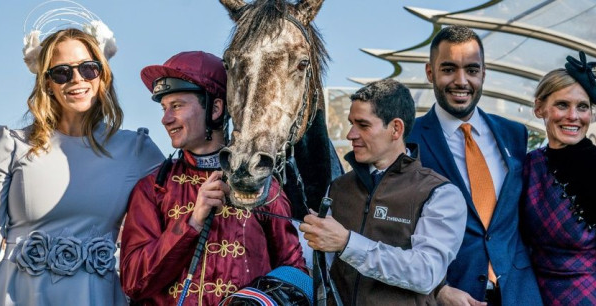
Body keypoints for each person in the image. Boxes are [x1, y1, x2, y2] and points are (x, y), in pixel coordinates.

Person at [0, 7, 164, 306]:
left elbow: (181, 206)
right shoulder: (11, 144)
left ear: (102, 74)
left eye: (88, 68)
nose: (76, 79)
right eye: (62, 72)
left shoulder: (137, 150)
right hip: (17, 297)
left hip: (98, 297)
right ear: (47, 83)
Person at [120, 51, 306, 306]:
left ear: (216, 108)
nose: (165, 119)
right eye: (164, 108)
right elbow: (133, 282)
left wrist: (260, 300)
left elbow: (297, 276)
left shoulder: (263, 186)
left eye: (177, 106)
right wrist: (192, 222)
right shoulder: (153, 188)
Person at [300, 78, 466, 305]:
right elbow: (321, 268)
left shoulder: (439, 193)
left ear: (396, 128)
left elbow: (425, 272)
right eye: (351, 123)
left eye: (363, 125)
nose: (350, 135)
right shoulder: (337, 188)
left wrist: (348, 243)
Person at [409, 26, 542, 306]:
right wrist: (437, 289)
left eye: (471, 70)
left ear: (483, 73)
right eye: (448, 69)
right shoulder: (409, 140)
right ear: (430, 72)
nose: (461, 81)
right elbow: (395, 228)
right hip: (451, 295)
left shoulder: (514, 134)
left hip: (519, 294)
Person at [521, 50, 596, 305]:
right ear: (540, 108)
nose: (573, 116)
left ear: (592, 113)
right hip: (530, 297)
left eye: (583, 107)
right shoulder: (528, 167)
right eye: (562, 105)